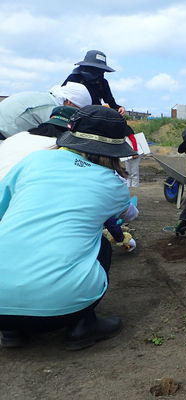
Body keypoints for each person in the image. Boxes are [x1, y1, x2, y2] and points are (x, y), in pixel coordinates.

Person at [0, 105, 138, 350]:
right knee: (101, 244)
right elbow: (121, 216)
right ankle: (83, 325)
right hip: (61, 310)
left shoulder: (34, 160)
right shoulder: (112, 184)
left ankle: (12, 331)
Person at [0, 82, 91, 139]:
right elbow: (53, 137)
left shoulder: (46, 98)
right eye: (78, 109)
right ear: (69, 102)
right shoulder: (52, 109)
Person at [63, 50, 126, 116]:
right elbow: (62, 97)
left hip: (94, 116)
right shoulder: (74, 78)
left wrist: (120, 108)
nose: (97, 72)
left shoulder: (102, 83)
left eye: (99, 70)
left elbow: (111, 103)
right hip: (74, 114)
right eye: (93, 68)